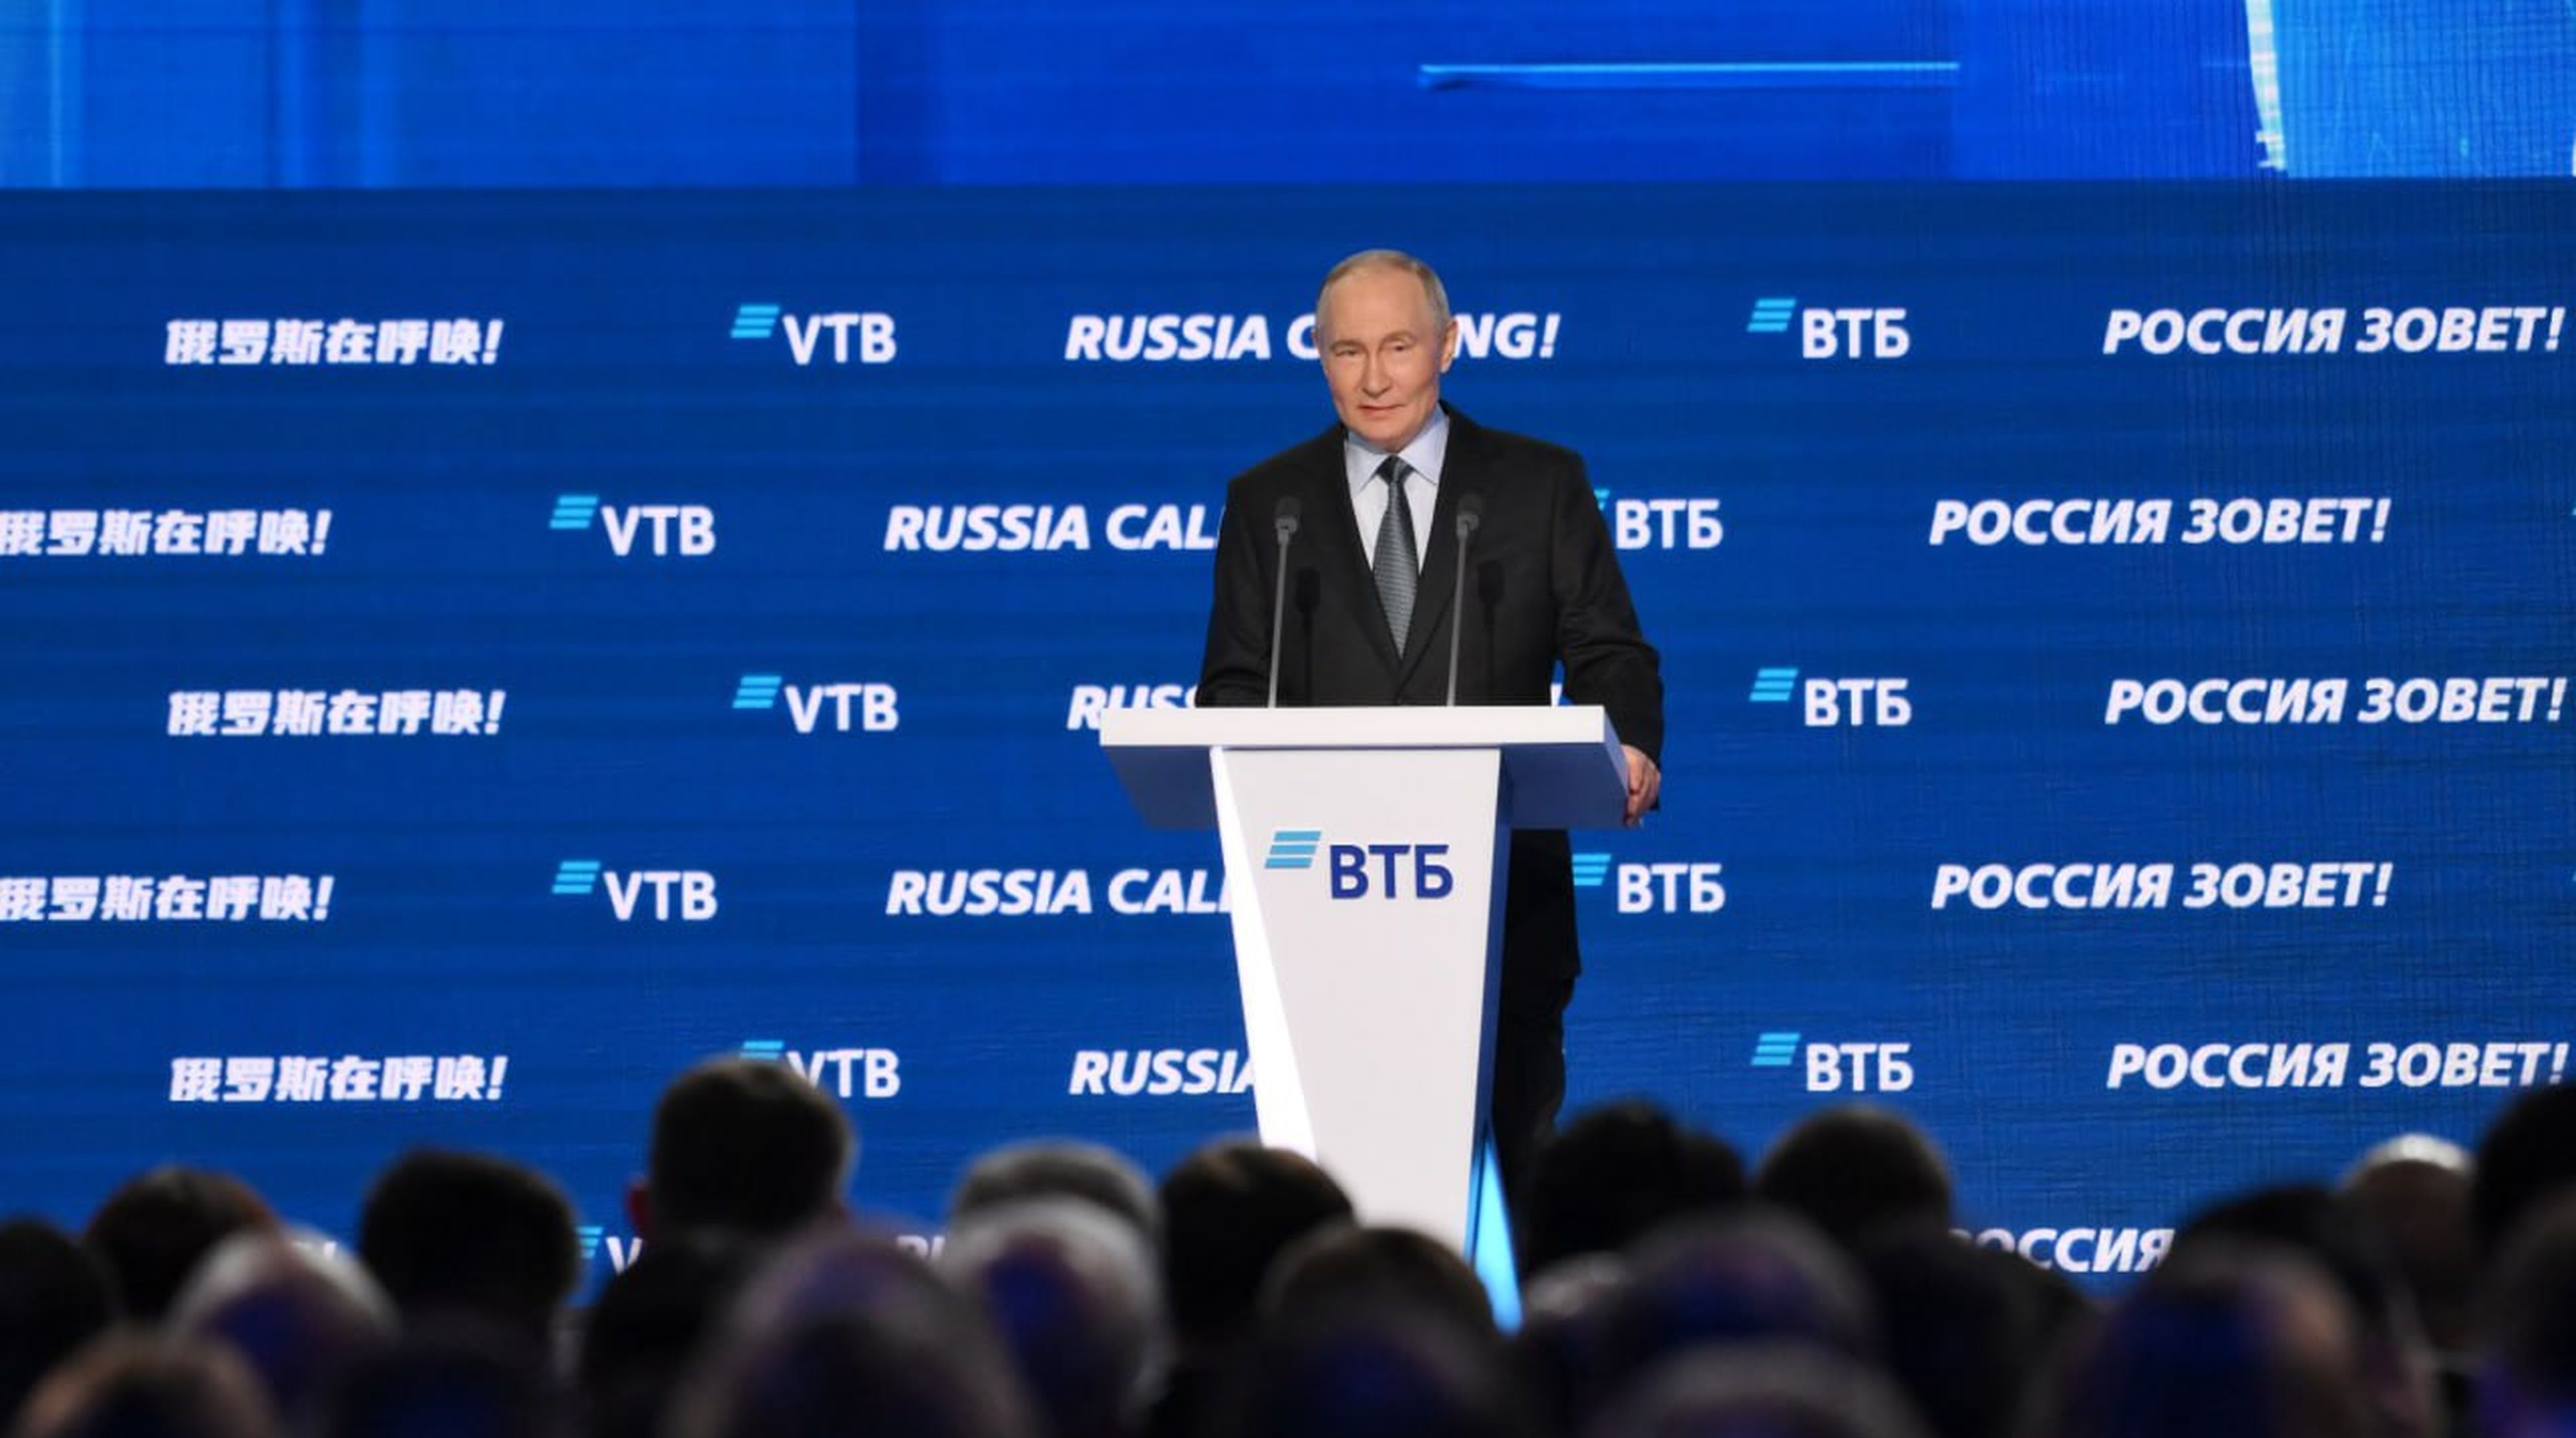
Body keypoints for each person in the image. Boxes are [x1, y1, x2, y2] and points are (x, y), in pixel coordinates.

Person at [1197, 249, 1665, 1186]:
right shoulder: (1269, 505)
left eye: (1399, 347)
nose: (1373, 378)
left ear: (1448, 346)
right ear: (1320, 356)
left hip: (1504, 900)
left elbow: (1608, 647)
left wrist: (1631, 739)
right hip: (1324, 904)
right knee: (1340, 1178)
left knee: (1513, 1171)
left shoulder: (1539, 484)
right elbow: (1235, 686)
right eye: (1347, 351)